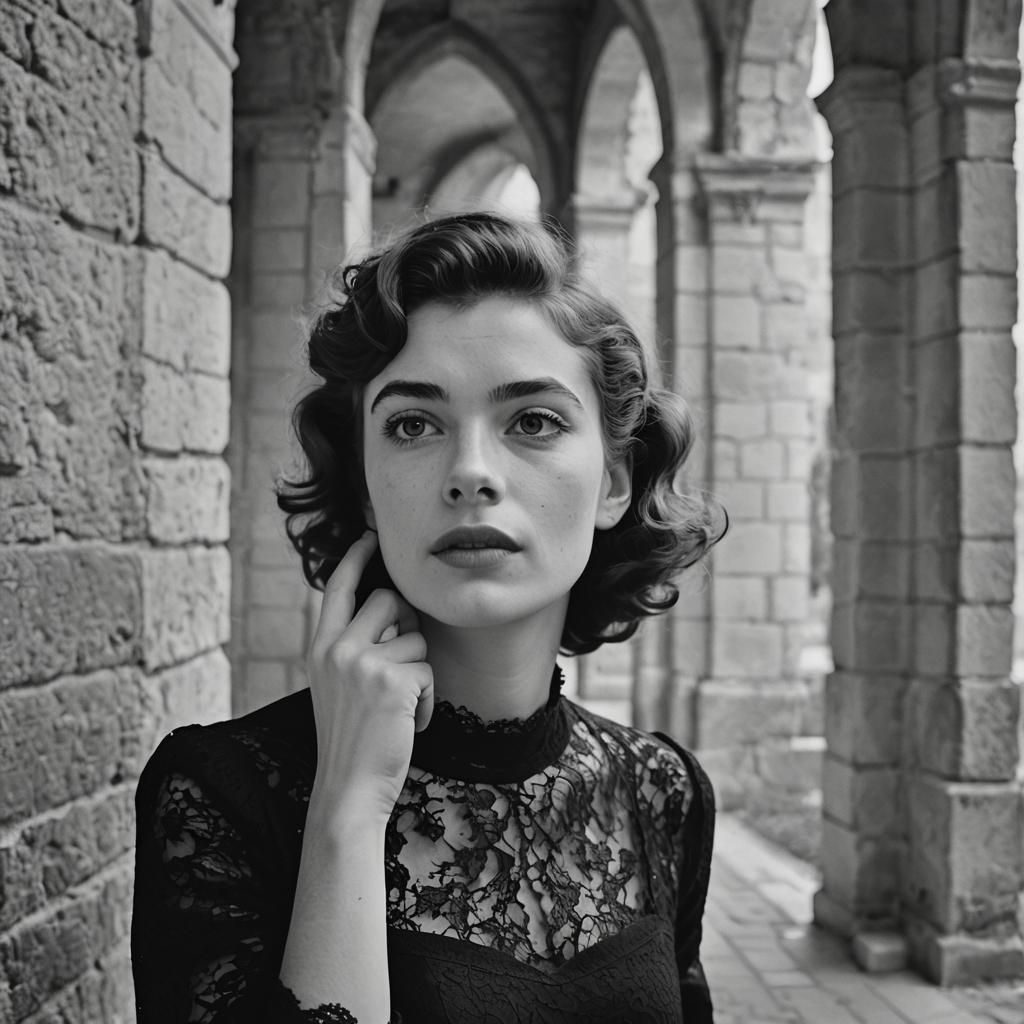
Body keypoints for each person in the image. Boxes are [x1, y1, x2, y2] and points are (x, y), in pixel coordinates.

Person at [132, 211, 727, 1023]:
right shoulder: (215, 796)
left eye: (534, 421)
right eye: (414, 425)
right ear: (365, 486)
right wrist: (346, 808)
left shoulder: (664, 792)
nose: (472, 472)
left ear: (616, 480)